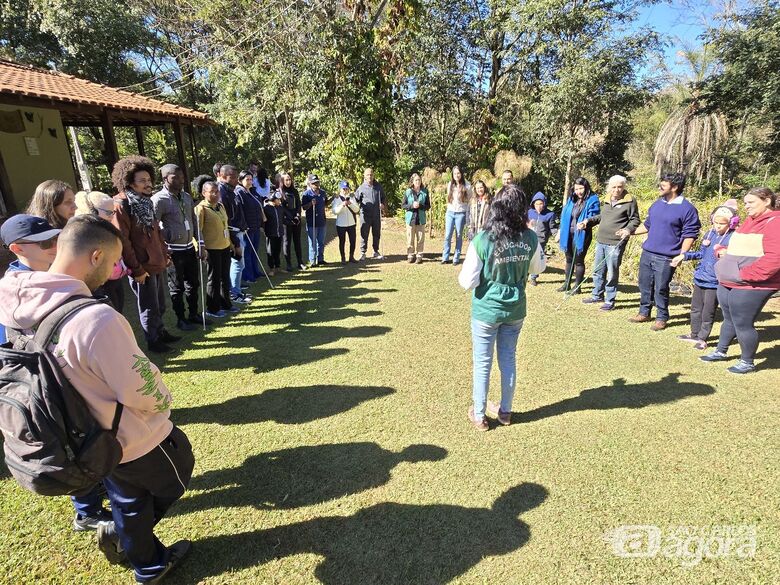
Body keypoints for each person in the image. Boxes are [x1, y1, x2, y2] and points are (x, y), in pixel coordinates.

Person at [0, 215, 194, 583]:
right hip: (128, 434)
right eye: (114, 260)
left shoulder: (12, 298)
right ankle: (129, 540)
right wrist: (162, 399)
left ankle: (148, 563)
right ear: (94, 257)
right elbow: (140, 388)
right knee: (176, 473)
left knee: (126, 495)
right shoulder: (95, 319)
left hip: (80, 436)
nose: (115, 270)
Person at [458, 184, 546, 431]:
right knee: (508, 359)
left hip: (486, 310)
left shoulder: (483, 239)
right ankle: (505, 411)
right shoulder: (529, 237)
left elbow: (467, 281)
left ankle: (479, 414)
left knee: (482, 362)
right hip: (515, 309)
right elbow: (538, 269)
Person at [703, 187, 780, 373]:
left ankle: (747, 362)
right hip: (730, 280)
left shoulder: (774, 222)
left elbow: (775, 257)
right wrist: (723, 252)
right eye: (745, 203)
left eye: (751, 202)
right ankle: (720, 351)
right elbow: (743, 248)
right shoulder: (750, 221)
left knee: (742, 322)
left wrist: (744, 275)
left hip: (752, 284)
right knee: (729, 318)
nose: (746, 206)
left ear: (767, 201)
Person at [110, 156, 180, 354]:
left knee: (159, 303)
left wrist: (164, 254)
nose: (148, 184)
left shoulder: (146, 202)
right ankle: (153, 340)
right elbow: (123, 241)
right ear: (130, 182)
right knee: (148, 306)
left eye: (149, 180)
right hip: (141, 267)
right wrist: (136, 269)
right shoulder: (122, 206)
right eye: (142, 181)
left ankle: (161, 332)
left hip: (155, 262)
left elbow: (156, 232)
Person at [628, 173, 701, 331]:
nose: (659, 187)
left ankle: (662, 317)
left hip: (667, 256)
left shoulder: (687, 209)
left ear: (674, 187)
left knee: (661, 287)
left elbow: (690, 234)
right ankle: (644, 312)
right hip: (648, 252)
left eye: (663, 185)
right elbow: (647, 226)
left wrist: (682, 254)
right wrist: (630, 232)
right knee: (644, 284)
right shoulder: (657, 204)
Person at [671, 201, 738, 350]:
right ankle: (694, 334)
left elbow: (737, 259)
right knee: (695, 309)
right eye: (716, 222)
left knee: (708, 311)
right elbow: (702, 253)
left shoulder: (734, 238)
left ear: (731, 223)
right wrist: (684, 256)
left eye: (722, 223)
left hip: (715, 281)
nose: (718, 226)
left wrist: (727, 255)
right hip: (700, 277)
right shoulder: (709, 233)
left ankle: (702, 338)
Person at [152, 164, 204, 332]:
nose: (181, 181)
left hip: (189, 247)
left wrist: (200, 243)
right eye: (176, 177)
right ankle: (181, 319)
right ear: (165, 179)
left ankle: (193, 314)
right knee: (177, 286)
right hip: (173, 251)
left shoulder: (186, 197)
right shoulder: (159, 200)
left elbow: (194, 221)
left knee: (193, 283)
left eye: (182, 177)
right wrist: (164, 246)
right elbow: (153, 227)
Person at [579, 175, 641, 310]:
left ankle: (609, 300)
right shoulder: (607, 199)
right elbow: (602, 217)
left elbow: (635, 220)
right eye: (614, 187)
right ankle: (597, 295)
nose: (617, 190)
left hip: (616, 242)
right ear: (609, 187)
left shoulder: (630, 201)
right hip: (601, 240)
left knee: (612, 272)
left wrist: (627, 230)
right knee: (598, 270)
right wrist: (588, 221)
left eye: (620, 187)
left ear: (624, 187)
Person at [75, 190, 130, 313]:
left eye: (113, 212)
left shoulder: (106, 228)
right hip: (101, 283)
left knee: (118, 311)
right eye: (109, 212)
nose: (112, 216)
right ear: (93, 211)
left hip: (114, 278)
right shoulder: (83, 233)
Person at [195, 179, 236, 318]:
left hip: (224, 245)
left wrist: (230, 243)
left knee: (225, 276)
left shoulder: (220, 206)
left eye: (217, 191)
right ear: (204, 193)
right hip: (211, 248)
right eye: (212, 192)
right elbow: (198, 230)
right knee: (214, 277)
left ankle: (226, 303)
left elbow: (225, 226)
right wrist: (201, 248)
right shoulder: (201, 209)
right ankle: (213, 307)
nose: (215, 194)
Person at [557, 177, 600, 293]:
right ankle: (567, 284)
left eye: (581, 188)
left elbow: (596, 217)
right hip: (568, 234)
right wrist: (560, 232)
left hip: (582, 234)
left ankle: (577, 286)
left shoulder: (593, 199)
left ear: (586, 187)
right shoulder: (572, 200)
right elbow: (564, 216)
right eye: (576, 189)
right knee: (569, 259)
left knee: (579, 261)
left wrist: (587, 222)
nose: (579, 191)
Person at [217, 164, 251, 304]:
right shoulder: (222, 192)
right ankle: (234, 294)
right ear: (223, 177)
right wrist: (234, 240)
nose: (236, 179)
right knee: (237, 263)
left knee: (239, 264)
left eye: (237, 177)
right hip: (232, 233)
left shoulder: (232, 190)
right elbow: (226, 218)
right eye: (232, 177)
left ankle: (236, 290)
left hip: (240, 231)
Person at [236, 170, 266, 281]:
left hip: (256, 226)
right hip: (247, 228)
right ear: (240, 180)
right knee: (247, 252)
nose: (250, 182)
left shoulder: (253, 192)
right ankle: (248, 275)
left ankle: (255, 271)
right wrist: (244, 225)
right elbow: (240, 211)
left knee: (254, 251)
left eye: (251, 179)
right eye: (247, 179)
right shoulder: (239, 193)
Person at [441, 165, 471, 265]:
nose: (457, 175)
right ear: (452, 175)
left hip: (461, 213)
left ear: (461, 174)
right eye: (455, 173)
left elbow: (470, 199)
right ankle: (445, 257)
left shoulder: (467, 185)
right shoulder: (450, 184)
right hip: (450, 212)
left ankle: (456, 258)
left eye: (458, 173)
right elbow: (448, 198)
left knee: (458, 235)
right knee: (447, 235)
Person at [355, 167, 386, 260]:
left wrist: (383, 204)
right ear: (364, 176)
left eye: (371, 174)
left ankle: (376, 251)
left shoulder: (378, 187)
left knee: (376, 233)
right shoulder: (361, 188)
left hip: (376, 214)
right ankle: (363, 252)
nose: (370, 176)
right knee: (364, 233)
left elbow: (383, 198)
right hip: (365, 215)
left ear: (373, 175)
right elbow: (356, 200)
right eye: (368, 174)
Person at [527, 192, 557, 286]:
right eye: (537, 204)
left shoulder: (550, 214)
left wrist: (557, 235)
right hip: (528, 239)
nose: (539, 206)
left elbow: (553, 227)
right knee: (527, 257)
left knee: (537, 259)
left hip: (541, 240)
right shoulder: (529, 212)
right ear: (533, 204)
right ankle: (524, 275)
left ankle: (533, 277)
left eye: (541, 204)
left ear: (544, 203)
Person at [402, 173, 430, 264]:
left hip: (420, 219)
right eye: (416, 180)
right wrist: (411, 205)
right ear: (412, 182)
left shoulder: (425, 192)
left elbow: (428, 206)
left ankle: (419, 255)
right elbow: (403, 205)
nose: (418, 181)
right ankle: (410, 255)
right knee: (410, 238)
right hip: (410, 219)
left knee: (420, 238)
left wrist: (420, 205)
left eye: (419, 180)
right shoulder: (408, 192)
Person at [280, 172, 305, 270]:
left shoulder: (295, 191)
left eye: (289, 179)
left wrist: (298, 216)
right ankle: (288, 264)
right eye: (286, 180)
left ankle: (300, 262)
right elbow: (282, 208)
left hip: (296, 220)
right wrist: (290, 218)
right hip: (286, 221)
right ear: (282, 181)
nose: (288, 181)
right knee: (287, 242)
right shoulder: (280, 192)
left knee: (297, 241)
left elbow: (298, 204)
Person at [302, 174, 328, 267]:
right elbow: (304, 207)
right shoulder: (306, 194)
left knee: (321, 242)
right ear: (310, 184)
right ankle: (312, 261)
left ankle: (320, 259)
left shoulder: (323, 192)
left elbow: (326, 203)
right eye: (314, 183)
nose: (316, 184)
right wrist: (310, 203)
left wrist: (333, 198)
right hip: (311, 222)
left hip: (322, 221)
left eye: (317, 182)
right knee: (312, 242)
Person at [332, 180, 360, 264]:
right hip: (341, 224)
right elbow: (335, 211)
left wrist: (350, 203)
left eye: (346, 189)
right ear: (340, 189)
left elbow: (357, 209)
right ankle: (343, 258)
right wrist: (342, 205)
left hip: (351, 223)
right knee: (342, 241)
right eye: (343, 189)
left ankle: (351, 257)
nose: (345, 190)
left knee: (353, 241)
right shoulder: (337, 198)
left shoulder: (351, 197)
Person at [263, 192, 285, 276]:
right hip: (271, 233)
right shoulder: (266, 208)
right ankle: (271, 268)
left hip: (279, 233)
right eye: (278, 200)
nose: (279, 201)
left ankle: (278, 267)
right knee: (270, 251)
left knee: (278, 250)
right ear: (273, 200)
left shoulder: (280, 208)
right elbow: (264, 221)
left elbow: (283, 218)